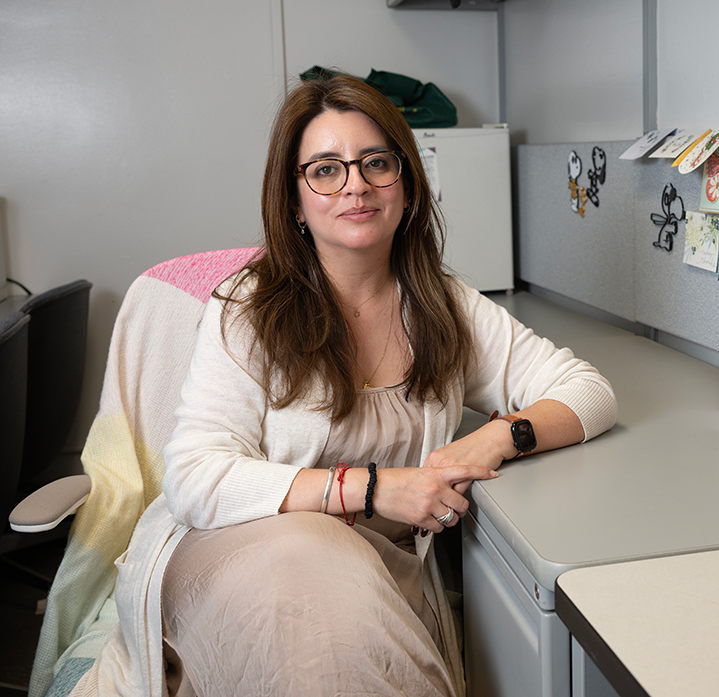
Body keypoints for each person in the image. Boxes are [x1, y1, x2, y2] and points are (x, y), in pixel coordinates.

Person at [93, 75, 617, 697]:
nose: (356, 186)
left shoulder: (443, 307)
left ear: (407, 183)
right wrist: (373, 489)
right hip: (231, 550)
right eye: (325, 169)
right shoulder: (246, 310)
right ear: (293, 199)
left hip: (366, 577)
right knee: (314, 603)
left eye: (376, 163)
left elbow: (589, 391)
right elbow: (194, 479)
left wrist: (499, 436)